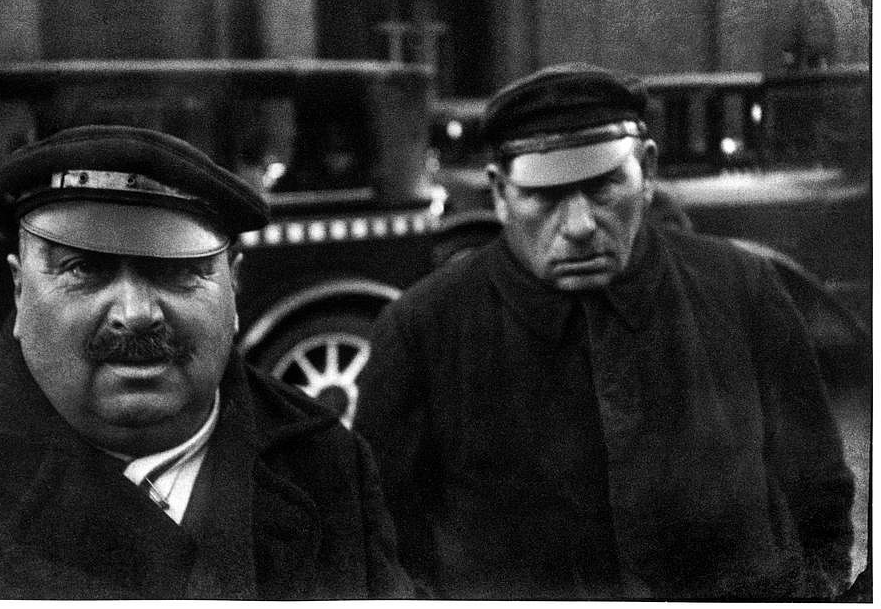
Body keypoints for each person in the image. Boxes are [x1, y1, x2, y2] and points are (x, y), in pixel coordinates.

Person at [354, 64, 855, 600]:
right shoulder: (421, 332)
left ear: (648, 171)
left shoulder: (743, 289)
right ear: (500, 194)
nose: (579, 227)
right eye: (544, 198)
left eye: (604, 187)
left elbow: (819, 499)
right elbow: (382, 547)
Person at [0, 125, 412, 600]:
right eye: (85, 268)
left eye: (177, 270)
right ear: (20, 288)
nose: (136, 314)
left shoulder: (329, 464)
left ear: (233, 288)